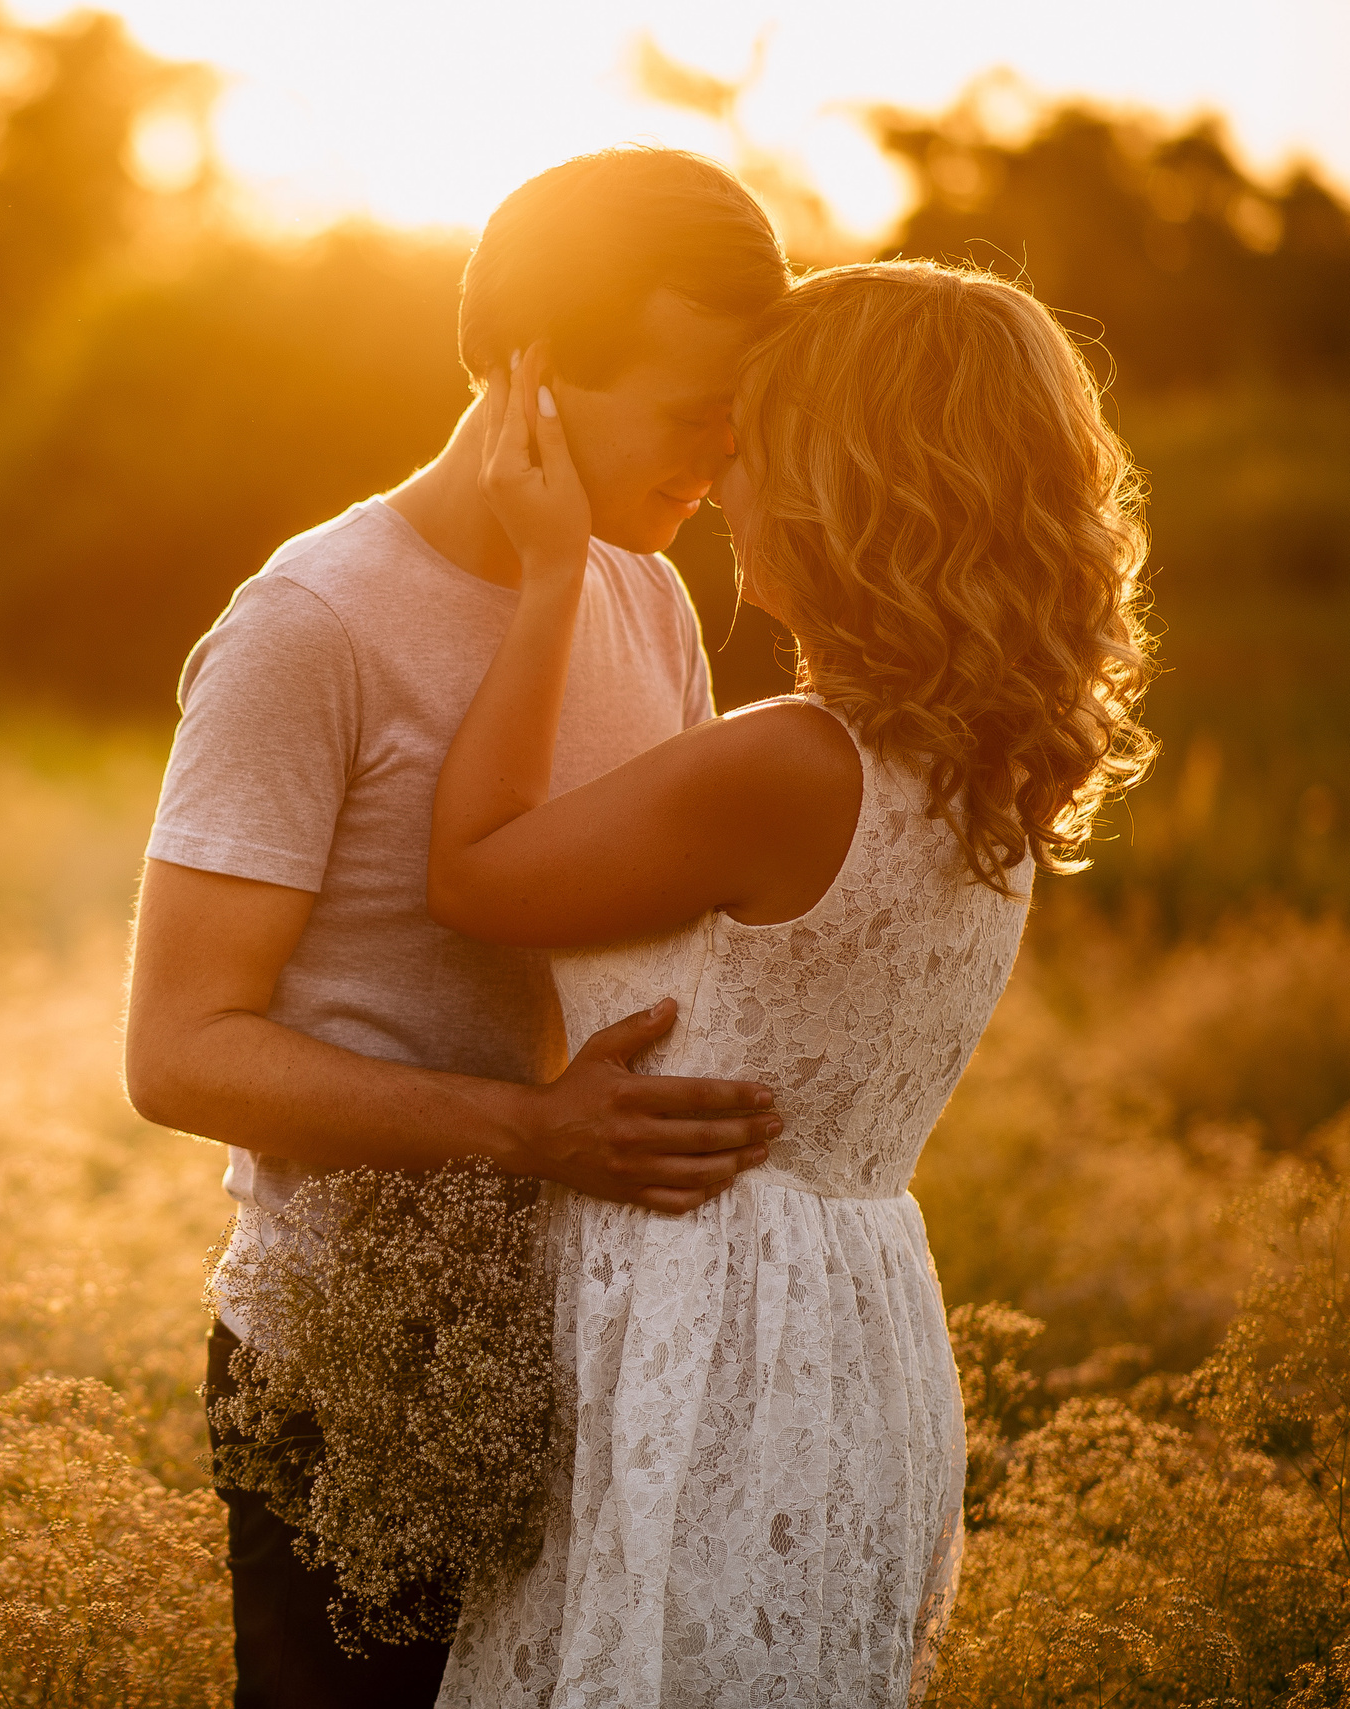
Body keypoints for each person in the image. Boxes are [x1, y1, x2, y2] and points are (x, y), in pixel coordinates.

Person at [425, 262, 1153, 1707]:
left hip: (707, 1329)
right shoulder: (987, 767)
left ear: (844, 483)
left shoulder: (787, 763)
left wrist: (553, 573)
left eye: (750, 440)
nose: (719, 476)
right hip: (853, 1322)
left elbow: (474, 874)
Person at [123, 148, 791, 1709]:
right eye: (692, 408)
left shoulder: (645, 595)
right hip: (353, 1366)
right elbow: (178, 1051)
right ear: (533, 374)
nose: (725, 453)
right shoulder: (312, 625)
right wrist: (528, 1131)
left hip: (602, 1344)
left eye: (740, 411)